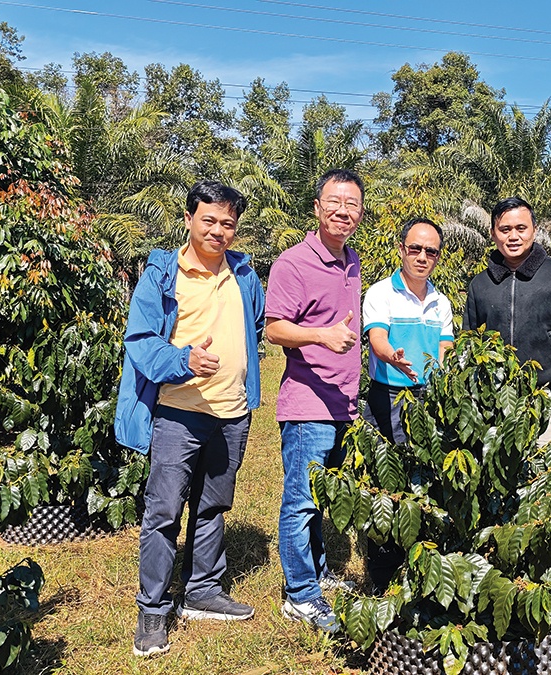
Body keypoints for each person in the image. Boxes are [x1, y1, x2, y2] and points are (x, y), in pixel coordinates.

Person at [114, 180, 265, 658]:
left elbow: (255, 325)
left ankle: (202, 590)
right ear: (188, 219)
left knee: (213, 506)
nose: (219, 230)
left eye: (228, 223)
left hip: (231, 411)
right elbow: (140, 341)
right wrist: (183, 361)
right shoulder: (163, 273)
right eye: (209, 220)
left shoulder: (244, 273)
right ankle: (152, 611)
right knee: (163, 512)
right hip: (179, 412)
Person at [265, 168, 365, 633]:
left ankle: (319, 572)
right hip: (308, 405)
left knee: (323, 498)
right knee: (302, 501)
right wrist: (321, 337)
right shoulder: (292, 263)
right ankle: (300, 595)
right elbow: (274, 328)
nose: (344, 211)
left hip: (344, 403)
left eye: (353, 205)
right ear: (317, 207)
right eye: (335, 202)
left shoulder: (353, 261)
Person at [463, 196, 551, 445]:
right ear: (493, 234)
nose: (513, 236)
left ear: (534, 231)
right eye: (505, 229)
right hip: (493, 405)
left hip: (549, 403)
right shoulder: (480, 285)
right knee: (499, 479)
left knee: (550, 479)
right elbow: (469, 340)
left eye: (521, 228)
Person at [360, 217, 454, 591]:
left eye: (430, 251)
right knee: (385, 484)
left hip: (428, 402)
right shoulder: (381, 294)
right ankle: (382, 572)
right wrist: (391, 356)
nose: (421, 257)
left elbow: (445, 348)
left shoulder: (441, 302)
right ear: (401, 249)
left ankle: (418, 562)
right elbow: (377, 340)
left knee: (424, 480)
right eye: (414, 248)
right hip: (388, 399)